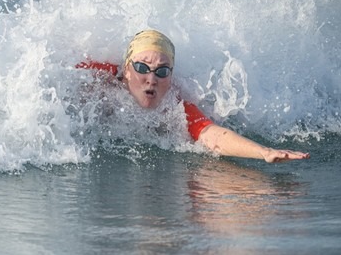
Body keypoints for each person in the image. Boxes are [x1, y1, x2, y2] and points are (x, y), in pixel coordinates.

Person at [76, 29, 310, 163]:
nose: (152, 78)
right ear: (126, 69)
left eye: (162, 70)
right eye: (142, 67)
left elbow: (211, 135)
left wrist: (264, 152)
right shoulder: (99, 78)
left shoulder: (175, 105)